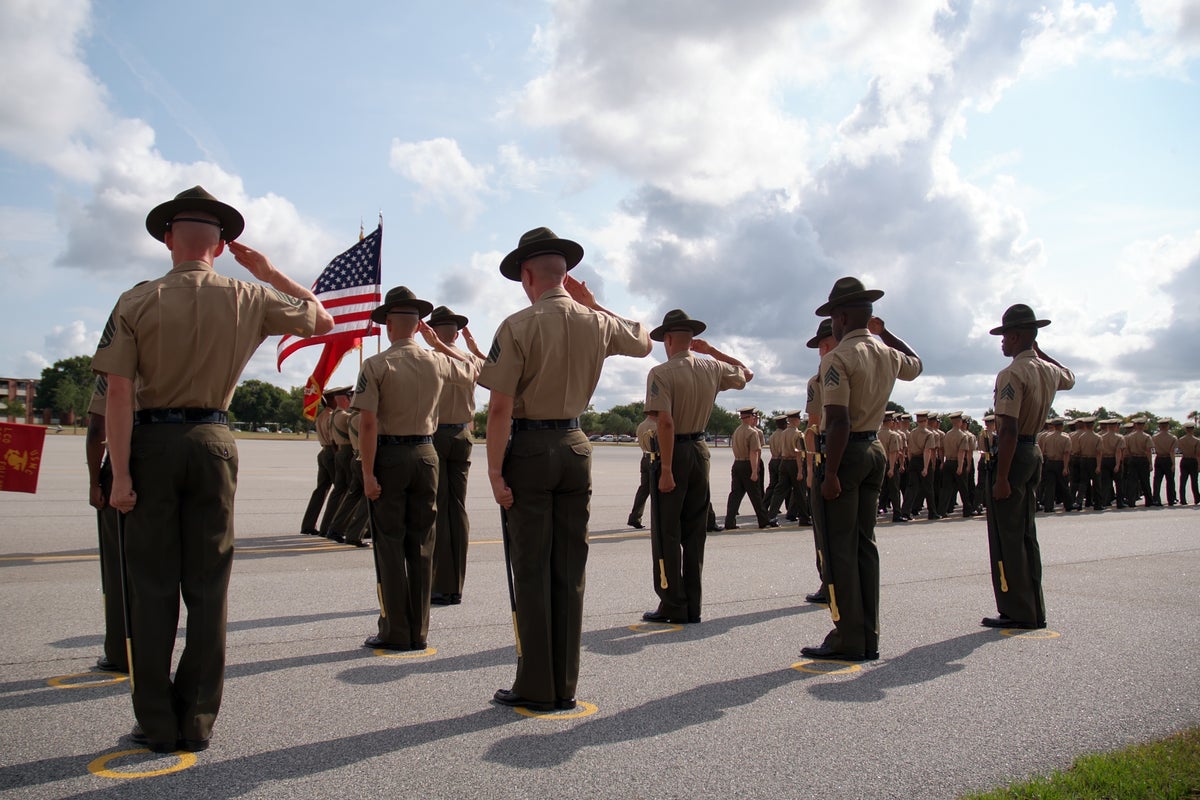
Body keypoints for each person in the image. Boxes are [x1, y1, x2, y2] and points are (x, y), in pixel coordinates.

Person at [94, 185, 332, 753]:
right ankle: (197, 720)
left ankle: (156, 721)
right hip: (214, 442)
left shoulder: (136, 300)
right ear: (222, 247)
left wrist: (120, 475)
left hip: (150, 443)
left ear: (169, 239)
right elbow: (321, 320)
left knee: (151, 587)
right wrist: (271, 271)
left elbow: (119, 395)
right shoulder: (248, 296)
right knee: (209, 587)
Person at [479, 227, 651, 713]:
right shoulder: (595, 322)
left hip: (531, 449)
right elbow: (642, 341)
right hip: (576, 447)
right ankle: (565, 684)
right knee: (569, 569)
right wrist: (593, 302)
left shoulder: (518, 324)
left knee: (532, 568)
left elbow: (499, 410)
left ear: (527, 275)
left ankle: (536, 685)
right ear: (567, 274)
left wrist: (495, 473)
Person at [801, 277, 922, 662]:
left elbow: (836, 421)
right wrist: (886, 334)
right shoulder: (886, 352)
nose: (832, 324)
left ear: (842, 316)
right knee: (865, 546)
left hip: (846, 454)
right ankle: (868, 633)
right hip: (874, 448)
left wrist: (831, 473)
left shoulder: (838, 358)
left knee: (839, 550)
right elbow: (917, 365)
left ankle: (847, 636)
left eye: (835, 316)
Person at [355, 287, 479, 651]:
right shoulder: (437, 361)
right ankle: (419, 631)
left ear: (390, 324)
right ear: (417, 324)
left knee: (390, 545)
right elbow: (471, 371)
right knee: (423, 544)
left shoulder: (377, 364)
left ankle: (395, 629)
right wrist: (439, 345)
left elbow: (367, 424)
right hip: (427, 455)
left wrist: (366, 473)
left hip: (391, 455)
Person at [641, 309, 751, 624]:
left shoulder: (661, 373)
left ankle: (672, 602)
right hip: (700, 451)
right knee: (694, 532)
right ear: (692, 339)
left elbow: (664, 421)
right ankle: (693, 605)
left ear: (671, 339)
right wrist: (712, 351)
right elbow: (747, 374)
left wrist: (665, 470)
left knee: (666, 532)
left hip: (673, 452)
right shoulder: (712, 367)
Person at [981, 303, 1074, 630]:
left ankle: (1018, 609)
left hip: (1014, 454)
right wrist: (1038, 349)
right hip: (1032, 450)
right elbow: (1070, 378)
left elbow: (1007, 428)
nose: (1002, 342)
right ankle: (1032, 607)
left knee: (1008, 537)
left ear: (1018, 336)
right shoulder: (1048, 370)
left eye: (1006, 336)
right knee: (1025, 535)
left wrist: (1002, 477)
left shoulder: (1012, 373)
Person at [427, 305, 486, 606]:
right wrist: (474, 348)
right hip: (463, 434)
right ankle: (454, 585)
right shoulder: (471, 359)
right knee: (457, 508)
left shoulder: (431, 357)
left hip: (435, 435)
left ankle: (439, 583)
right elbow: (495, 373)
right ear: (457, 331)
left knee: (438, 508)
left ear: (434, 331)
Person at [85, 375, 127, 673]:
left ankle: (121, 652)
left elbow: (98, 427)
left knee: (119, 570)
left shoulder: (119, 359)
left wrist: (94, 482)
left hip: (125, 465)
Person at [803, 319, 837, 604]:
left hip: (829, 455)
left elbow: (814, 427)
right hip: (863, 451)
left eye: (822, 346)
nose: (821, 352)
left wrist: (814, 469)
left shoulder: (820, 379)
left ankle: (831, 584)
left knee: (826, 527)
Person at [724, 408, 776, 529]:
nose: (755, 418)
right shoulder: (752, 432)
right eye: (753, 416)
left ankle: (729, 521)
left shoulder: (736, 431)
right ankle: (763, 521)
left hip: (737, 463)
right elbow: (754, 452)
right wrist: (754, 471)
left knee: (735, 495)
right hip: (748, 464)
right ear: (749, 417)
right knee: (756, 495)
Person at [300, 393, 337, 535]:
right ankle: (329, 526)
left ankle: (308, 524)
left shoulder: (322, 415)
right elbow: (334, 440)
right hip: (332, 453)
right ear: (333, 400)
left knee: (321, 490)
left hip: (323, 452)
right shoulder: (331, 416)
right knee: (340, 490)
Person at [320, 388, 354, 541]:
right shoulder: (346, 417)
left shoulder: (332, 416)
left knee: (338, 491)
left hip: (338, 452)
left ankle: (326, 526)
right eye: (349, 397)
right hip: (348, 452)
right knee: (352, 492)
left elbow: (332, 440)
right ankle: (345, 527)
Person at [627, 415, 658, 530]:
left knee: (643, 490)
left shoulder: (641, 425)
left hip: (645, 456)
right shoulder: (656, 425)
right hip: (655, 458)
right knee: (658, 492)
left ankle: (635, 517)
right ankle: (658, 520)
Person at [1123, 418, 1154, 506]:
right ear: (1143, 426)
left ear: (1135, 425)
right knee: (1145, 481)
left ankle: (1131, 501)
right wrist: (1150, 463)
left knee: (1132, 482)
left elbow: (1127, 450)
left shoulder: (1129, 437)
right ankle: (1149, 501)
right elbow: (1148, 451)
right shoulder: (1146, 436)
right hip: (1143, 459)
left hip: (1132, 459)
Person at [1096, 418, 1126, 509]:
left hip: (1104, 460)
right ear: (1116, 426)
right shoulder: (1120, 437)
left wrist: (1099, 464)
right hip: (1114, 460)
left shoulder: (1101, 437)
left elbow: (1099, 452)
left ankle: (1104, 502)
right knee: (1119, 483)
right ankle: (1120, 503)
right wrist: (1117, 464)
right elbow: (1118, 451)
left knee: (1105, 483)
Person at [1151, 419, 1178, 507]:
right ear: (1168, 426)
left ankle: (1156, 499)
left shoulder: (1154, 437)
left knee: (1157, 480)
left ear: (1159, 427)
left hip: (1159, 458)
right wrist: (1174, 464)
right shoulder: (1173, 438)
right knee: (1170, 480)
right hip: (1168, 459)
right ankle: (1171, 499)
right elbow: (1172, 452)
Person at [1178, 421, 1198, 505]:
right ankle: (1196, 498)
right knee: (1194, 481)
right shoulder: (1196, 440)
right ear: (1193, 429)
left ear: (1186, 430)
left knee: (1183, 481)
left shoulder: (1181, 440)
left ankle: (1182, 499)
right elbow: (1198, 454)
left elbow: (1179, 449)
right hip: (1193, 460)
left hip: (1184, 459)